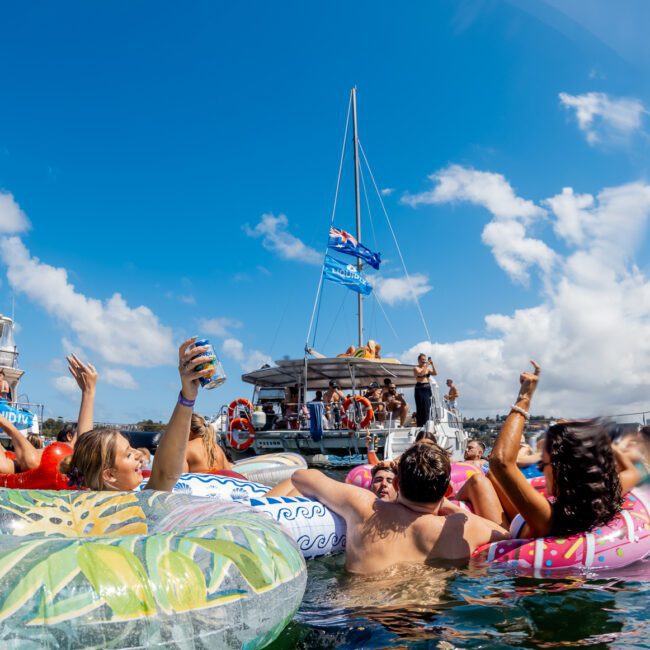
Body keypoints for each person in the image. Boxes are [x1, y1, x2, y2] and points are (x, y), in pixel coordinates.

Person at [291, 442, 508, 574]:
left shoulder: (365, 506)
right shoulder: (461, 527)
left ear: (396, 484)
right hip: (427, 625)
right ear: (447, 490)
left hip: (361, 623)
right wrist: (448, 505)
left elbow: (301, 476)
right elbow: (505, 533)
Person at [489, 361, 641, 539]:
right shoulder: (606, 494)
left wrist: (524, 398)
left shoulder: (547, 517)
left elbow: (500, 461)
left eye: (542, 464)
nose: (541, 469)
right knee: (490, 478)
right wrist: (598, 441)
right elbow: (632, 471)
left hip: (506, 534)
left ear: (561, 468)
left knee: (480, 481)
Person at [59, 337, 216, 491]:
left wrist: (88, 392)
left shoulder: (88, 495)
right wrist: (188, 397)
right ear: (109, 474)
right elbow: (165, 475)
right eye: (128, 454)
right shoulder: (138, 503)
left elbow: (87, 450)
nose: (137, 453)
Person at [413, 354, 437, 427]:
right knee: (420, 406)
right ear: (419, 360)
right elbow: (421, 373)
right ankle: (420, 424)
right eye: (423, 359)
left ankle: (427, 423)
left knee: (427, 406)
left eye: (425, 359)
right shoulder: (416, 368)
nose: (424, 361)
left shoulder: (427, 368)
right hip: (420, 388)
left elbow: (435, 373)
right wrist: (426, 365)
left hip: (427, 388)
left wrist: (432, 365)